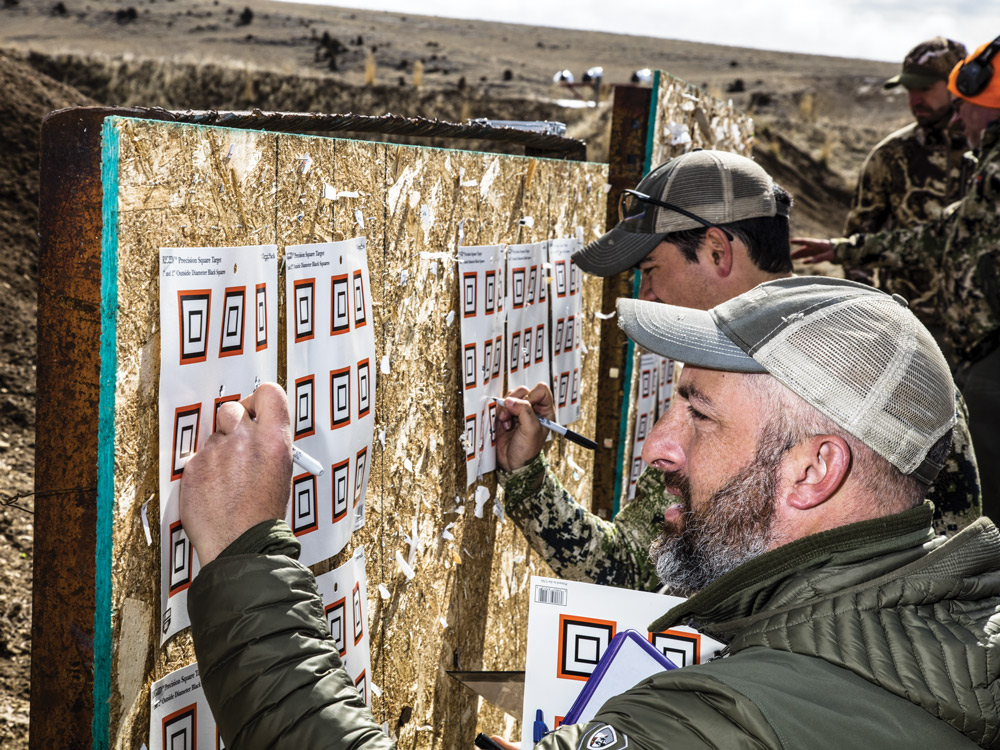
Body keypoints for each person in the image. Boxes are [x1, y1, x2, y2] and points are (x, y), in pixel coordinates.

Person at [180, 278, 1000, 748]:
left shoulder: (743, 721)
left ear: (815, 471)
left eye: (697, 413)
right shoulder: (945, 623)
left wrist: (244, 554)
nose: (655, 448)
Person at [499, 150, 980, 594]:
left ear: (716, 250)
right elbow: (641, 563)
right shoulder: (866, 353)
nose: (647, 294)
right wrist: (526, 473)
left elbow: (947, 565)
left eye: (651, 268)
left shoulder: (875, 367)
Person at [792, 37, 1000, 520]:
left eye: (934, 90)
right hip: (921, 344)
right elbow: (939, 232)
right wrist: (848, 255)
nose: (952, 117)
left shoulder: (988, 165)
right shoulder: (906, 158)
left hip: (981, 350)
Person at [841, 37, 968, 329]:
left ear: (958, 84)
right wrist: (870, 317)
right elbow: (857, 241)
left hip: (985, 339)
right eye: (910, 89)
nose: (914, 100)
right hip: (909, 329)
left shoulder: (990, 153)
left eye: (925, 88)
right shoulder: (891, 155)